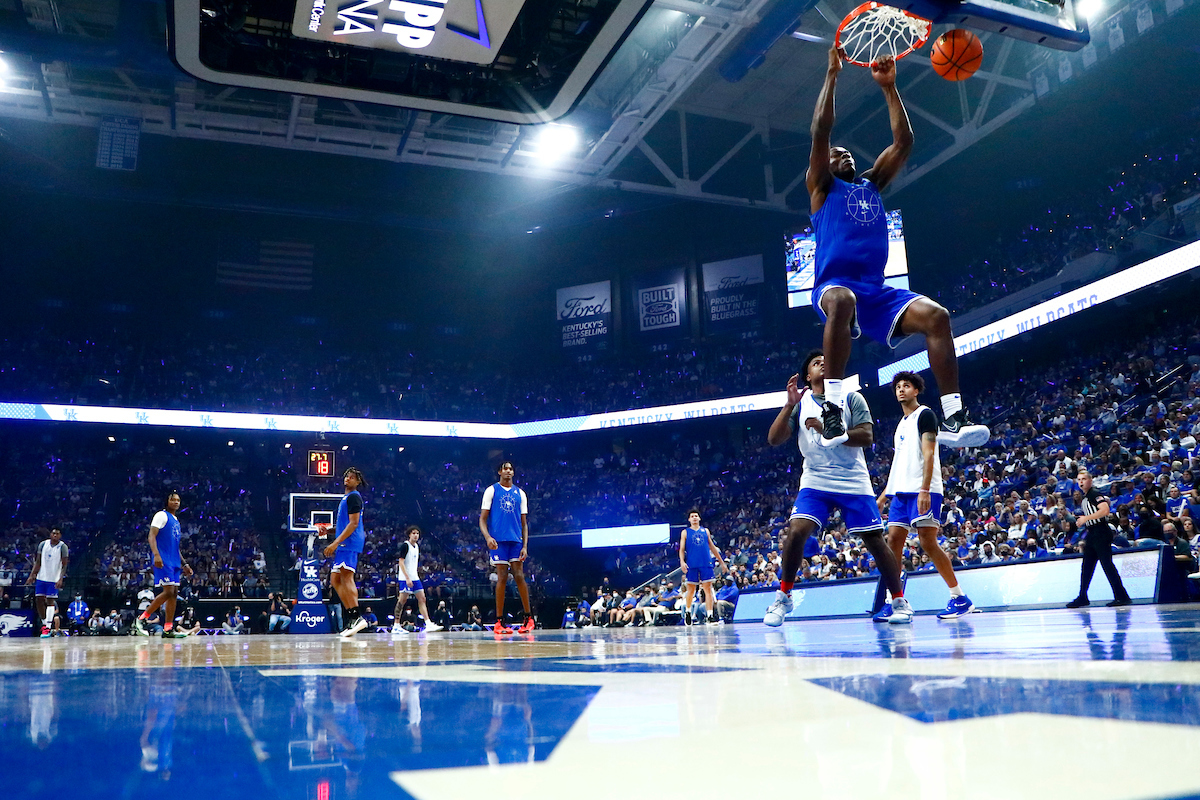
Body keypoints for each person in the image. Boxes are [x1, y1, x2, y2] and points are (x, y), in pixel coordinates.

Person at [806, 45, 989, 449]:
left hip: (878, 290)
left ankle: (954, 417)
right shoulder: (821, 189)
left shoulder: (871, 185)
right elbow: (821, 130)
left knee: (937, 316)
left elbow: (904, 142)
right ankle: (834, 411)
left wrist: (889, 88)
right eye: (837, 154)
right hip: (835, 285)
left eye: (847, 151)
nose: (843, 152)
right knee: (841, 300)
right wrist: (832, 75)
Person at [763, 351, 910, 626]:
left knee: (875, 541)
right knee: (796, 531)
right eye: (816, 363)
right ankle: (784, 596)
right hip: (816, 478)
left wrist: (829, 430)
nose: (823, 364)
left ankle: (899, 600)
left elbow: (866, 436)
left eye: (826, 360)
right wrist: (788, 406)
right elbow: (774, 439)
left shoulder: (851, 397)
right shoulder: (801, 403)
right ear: (808, 376)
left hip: (852, 477)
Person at [878, 371, 976, 622]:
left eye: (906, 386)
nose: (901, 389)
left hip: (924, 489)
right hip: (900, 492)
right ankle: (896, 600)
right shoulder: (901, 424)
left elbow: (929, 454)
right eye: (898, 386)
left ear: (916, 390)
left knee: (928, 543)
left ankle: (959, 597)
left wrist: (924, 489)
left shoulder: (926, 414)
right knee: (893, 545)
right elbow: (898, 463)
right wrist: (883, 496)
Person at [480, 461, 534, 635]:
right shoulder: (492, 490)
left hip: (516, 540)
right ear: (499, 472)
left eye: (511, 469)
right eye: (505, 469)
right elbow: (482, 519)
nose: (509, 471)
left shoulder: (521, 493)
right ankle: (499, 622)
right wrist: (488, 537)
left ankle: (528, 618)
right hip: (498, 540)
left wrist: (525, 545)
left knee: (519, 576)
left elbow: (524, 524)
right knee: (502, 577)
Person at [1067, 470, 1133, 608]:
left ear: (1090, 481)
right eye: (1079, 479)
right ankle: (1083, 596)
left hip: (1101, 531)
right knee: (1087, 566)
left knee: (1107, 565)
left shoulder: (1094, 494)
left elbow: (1105, 510)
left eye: (1084, 479)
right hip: (1092, 532)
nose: (1081, 482)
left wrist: (1086, 518)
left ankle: (1122, 596)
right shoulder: (1086, 497)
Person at [320, 467, 370, 637]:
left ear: (357, 482)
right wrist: (328, 531)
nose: (348, 479)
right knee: (335, 579)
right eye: (347, 476)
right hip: (345, 542)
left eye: (352, 477)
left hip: (349, 543)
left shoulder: (354, 497)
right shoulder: (346, 498)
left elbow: (354, 524)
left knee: (347, 576)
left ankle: (357, 616)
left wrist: (334, 543)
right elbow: (344, 525)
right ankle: (351, 616)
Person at [134, 494, 193, 639]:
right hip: (164, 559)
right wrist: (156, 555)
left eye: (178, 500)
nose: (176, 502)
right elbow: (151, 536)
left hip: (174, 561)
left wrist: (184, 564)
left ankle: (168, 628)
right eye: (173, 499)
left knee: (173, 594)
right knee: (167, 592)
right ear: (166, 501)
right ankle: (141, 619)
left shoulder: (176, 521)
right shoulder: (161, 515)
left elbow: (175, 546)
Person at [678, 510, 730, 625]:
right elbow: (681, 549)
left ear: (699, 518)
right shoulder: (685, 532)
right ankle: (687, 611)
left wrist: (721, 562)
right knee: (691, 590)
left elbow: (712, 547)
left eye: (696, 516)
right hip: (692, 564)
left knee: (708, 589)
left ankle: (710, 615)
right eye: (692, 516)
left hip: (706, 563)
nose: (694, 518)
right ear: (689, 520)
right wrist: (682, 562)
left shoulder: (705, 531)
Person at [392, 525, 443, 634]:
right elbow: (401, 562)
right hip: (405, 578)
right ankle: (396, 625)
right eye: (413, 533)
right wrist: (407, 578)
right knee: (402, 600)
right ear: (409, 534)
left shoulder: (417, 546)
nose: (416, 535)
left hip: (415, 577)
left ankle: (428, 623)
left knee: (422, 598)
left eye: (417, 533)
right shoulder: (405, 546)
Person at [27, 527, 69, 637]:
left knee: (50, 601)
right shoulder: (42, 545)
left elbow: (64, 565)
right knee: (38, 600)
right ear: (50, 534)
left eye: (57, 534)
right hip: (42, 576)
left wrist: (60, 578)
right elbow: (38, 562)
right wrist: (32, 575)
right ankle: (45, 624)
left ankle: (47, 627)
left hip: (53, 578)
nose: (55, 535)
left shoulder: (63, 547)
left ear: (60, 536)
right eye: (53, 533)